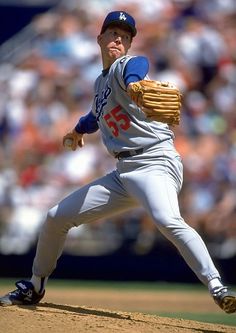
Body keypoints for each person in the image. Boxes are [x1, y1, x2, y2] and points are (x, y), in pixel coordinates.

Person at [0, 10, 235, 314]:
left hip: (155, 162)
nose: (118, 40)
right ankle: (35, 285)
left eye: (124, 37)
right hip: (124, 173)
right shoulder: (100, 84)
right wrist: (76, 131)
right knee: (56, 217)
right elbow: (94, 116)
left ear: (128, 45)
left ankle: (217, 287)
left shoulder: (128, 66)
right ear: (99, 38)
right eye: (112, 33)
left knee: (167, 220)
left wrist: (136, 84)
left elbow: (137, 68)